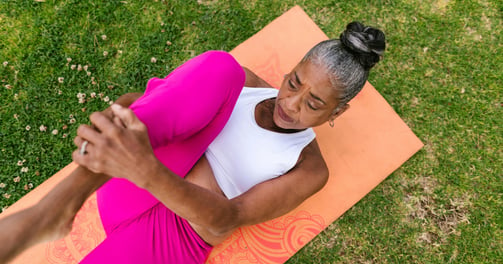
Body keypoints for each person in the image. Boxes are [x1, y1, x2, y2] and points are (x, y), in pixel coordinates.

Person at [0, 21, 385, 263]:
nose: (290, 103)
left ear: (337, 113)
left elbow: (227, 218)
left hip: (176, 233)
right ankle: (55, 208)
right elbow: (147, 106)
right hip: (129, 181)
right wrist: (131, 134)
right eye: (294, 82)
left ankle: (59, 208)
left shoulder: (309, 167)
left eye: (313, 104)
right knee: (222, 67)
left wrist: (146, 169)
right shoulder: (244, 83)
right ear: (290, 70)